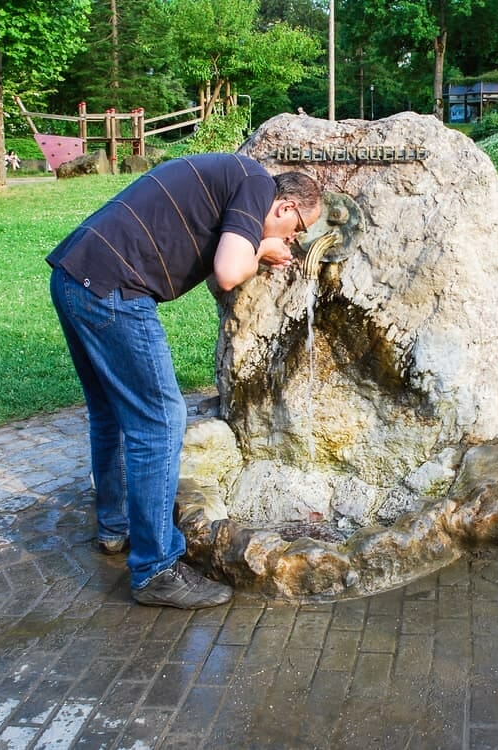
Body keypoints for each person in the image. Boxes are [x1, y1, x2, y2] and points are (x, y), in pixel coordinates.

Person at [48, 153, 322, 609]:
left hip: (76, 276)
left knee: (111, 413)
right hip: (113, 289)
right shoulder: (256, 184)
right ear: (286, 207)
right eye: (296, 231)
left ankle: (116, 527)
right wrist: (262, 249)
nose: (292, 242)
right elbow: (230, 271)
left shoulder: (236, 179)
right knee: (160, 421)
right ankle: (156, 569)